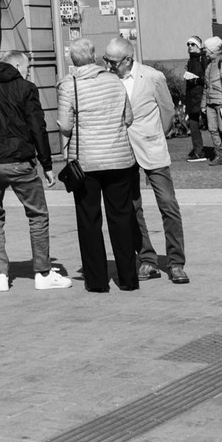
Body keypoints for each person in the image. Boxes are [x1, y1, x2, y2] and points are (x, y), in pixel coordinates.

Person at [0, 50, 59, 290]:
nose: (28, 72)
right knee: (37, 214)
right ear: (16, 65)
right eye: (26, 67)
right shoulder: (26, 88)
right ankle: (43, 273)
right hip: (19, 160)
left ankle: (1, 275)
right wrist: (47, 164)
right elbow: (37, 127)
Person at [59, 36, 139, 291]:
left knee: (89, 220)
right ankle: (128, 279)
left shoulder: (69, 84)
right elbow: (128, 118)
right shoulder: (114, 80)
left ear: (72, 59)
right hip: (118, 158)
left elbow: (65, 125)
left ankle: (96, 281)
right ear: (94, 57)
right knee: (121, 217)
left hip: (87, 162)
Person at [108, 38, 188, 284]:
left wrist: (157, 135)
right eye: (107, 61)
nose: (109, 66)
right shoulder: (109, 79)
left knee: (168, 204)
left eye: (113, 62)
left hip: (152, 148)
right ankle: (147, 259)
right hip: (123, 151)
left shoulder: (153, 77)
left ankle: (176, 262)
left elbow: (167, 111)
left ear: (128, 59)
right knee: (132, 208)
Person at [181, 37, 210, 162]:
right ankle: (199, 152)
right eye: (188, 44)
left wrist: (197, 79)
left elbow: (208, 77)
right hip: (192, 97)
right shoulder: (190, 60)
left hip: (202, 96)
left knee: (214, 126)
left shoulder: (203, 59)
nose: (190, 46)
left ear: (199, 46)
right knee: (193, 125)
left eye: (193, 44)